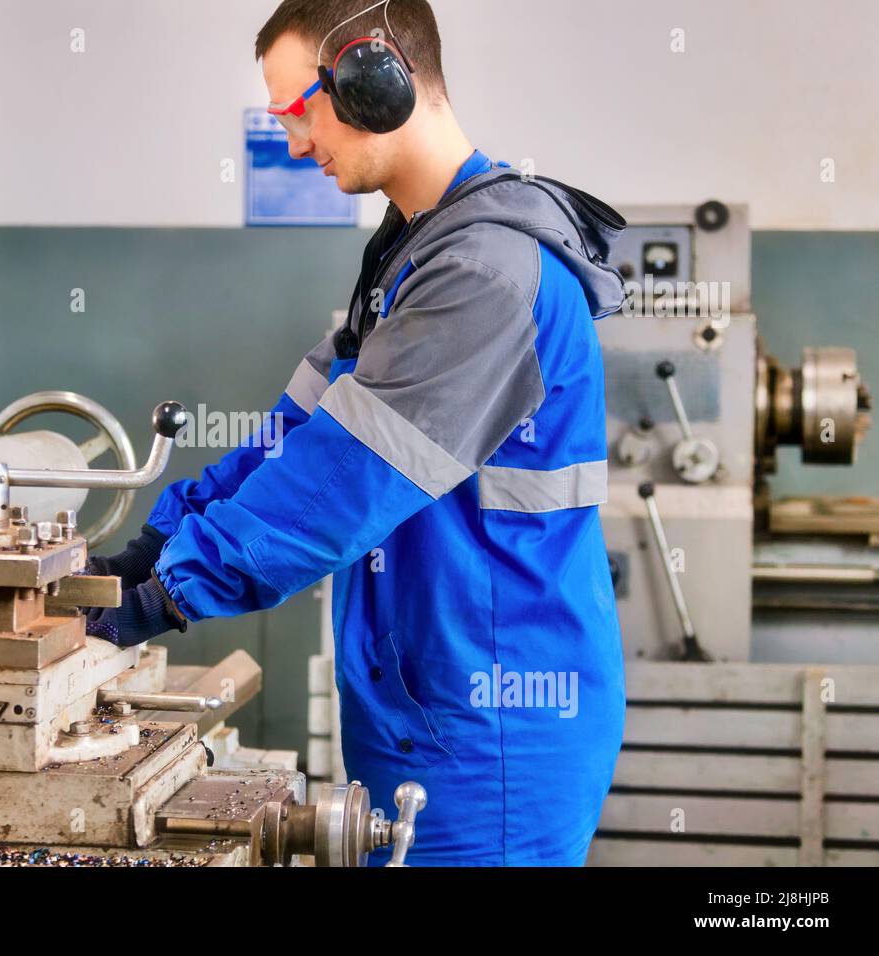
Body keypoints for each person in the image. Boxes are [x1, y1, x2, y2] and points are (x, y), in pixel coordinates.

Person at [86, 0, 627, 866]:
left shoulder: (484, 275)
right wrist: (150, 548)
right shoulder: (414, 257)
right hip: (430, 714)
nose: (296, 144)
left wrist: (162, 598)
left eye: (299, 110)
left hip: (490, 740)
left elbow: (336, 487)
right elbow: (296, 438)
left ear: (375, 78)